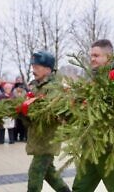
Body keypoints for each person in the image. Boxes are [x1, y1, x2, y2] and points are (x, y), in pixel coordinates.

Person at [72, 39, 114, 192]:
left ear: (108, 57)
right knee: (80, 187)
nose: (92, 59)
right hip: (90, 143)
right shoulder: (92, 78)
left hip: (110, 144)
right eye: (91, 55)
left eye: (96, 55)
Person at [24, 50, 70, 192]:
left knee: (35, 174)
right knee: (50, 174)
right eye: (33, 66)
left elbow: (50, 111)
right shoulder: (35, 85)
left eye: (37, 67)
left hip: (48, 138)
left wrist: (31, 108)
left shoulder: (55, 86)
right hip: (37, 137)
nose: (33, 70)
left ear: (48, 69)